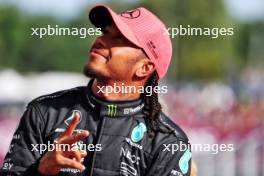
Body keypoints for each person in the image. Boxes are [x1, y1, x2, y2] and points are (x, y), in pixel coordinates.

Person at [0, 4, 192, 176]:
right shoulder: (44, 112)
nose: (100, 40)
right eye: (104, 32)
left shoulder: (168, 143)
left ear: (144, 68)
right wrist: (42, 170)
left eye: (118, 38)